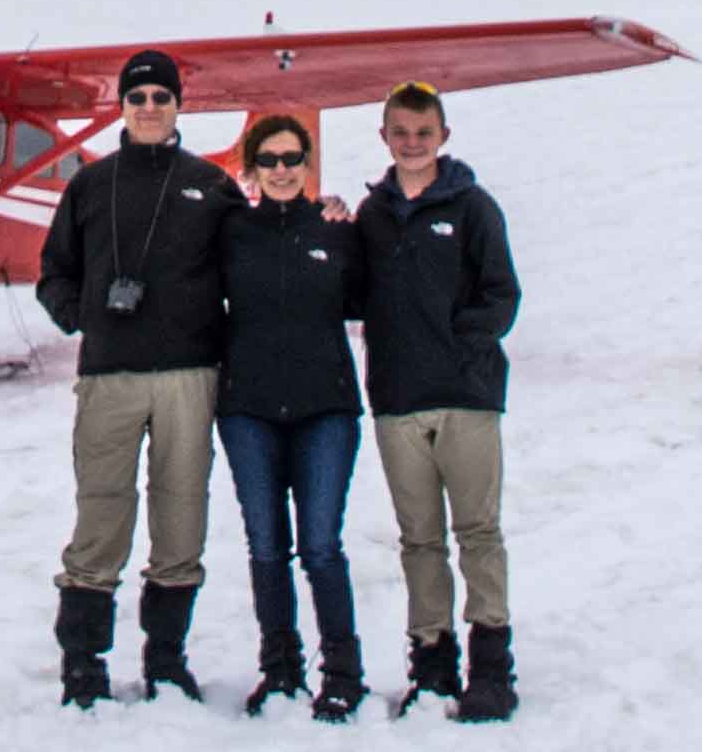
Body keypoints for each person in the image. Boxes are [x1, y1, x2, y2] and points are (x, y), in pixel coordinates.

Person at [35, 51, 243, 705]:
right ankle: (83, 662)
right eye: (137, 97)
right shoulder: (89, 186)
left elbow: (251, 268)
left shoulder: (211, 186)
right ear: (121, 107)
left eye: (161, 97)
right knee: (102, 514)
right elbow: (54, 271)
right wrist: (82, 317)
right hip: (110, 377)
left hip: (189, 376)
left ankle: (167, 659)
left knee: (182, 514)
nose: (149, 107)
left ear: (178, 105)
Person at [348, 80, 520, 719]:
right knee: (419, 539)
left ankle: (491, 665)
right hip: (398, 400)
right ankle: (432, 661)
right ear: (384, 137)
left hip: (466, 398)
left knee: (478, 531)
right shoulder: (373, 215)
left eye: (423, 133)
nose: (412, 143)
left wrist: (457, 341)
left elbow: (502, 297)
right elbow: (352, 292)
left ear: (442, 137)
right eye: (401, 133)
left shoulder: (473, 208)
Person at [216, 120, 369, 716]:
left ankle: (343, 672)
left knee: (321, 544)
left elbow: (374, 296)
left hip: (324, 407)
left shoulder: (336, 230)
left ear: (307, 165)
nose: (281, 170)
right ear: (252, 170)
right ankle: (280, 669)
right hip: (249, 409)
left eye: (292, 159)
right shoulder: (232, 232)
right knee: (265, 546)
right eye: (269, 160)